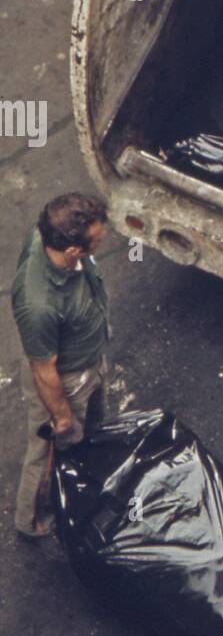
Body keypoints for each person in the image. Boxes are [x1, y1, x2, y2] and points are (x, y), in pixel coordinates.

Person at [12, 193, 111, 539]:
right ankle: (34, 520)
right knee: (46, 453)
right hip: (65, 380)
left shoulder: (46, 236)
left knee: (91, 428)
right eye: (98, 240)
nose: (103, 241)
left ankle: (85, 462)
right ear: (73, 251)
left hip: (90, 360)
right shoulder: (38, 305)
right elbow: (43, 369)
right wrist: (62, 417)